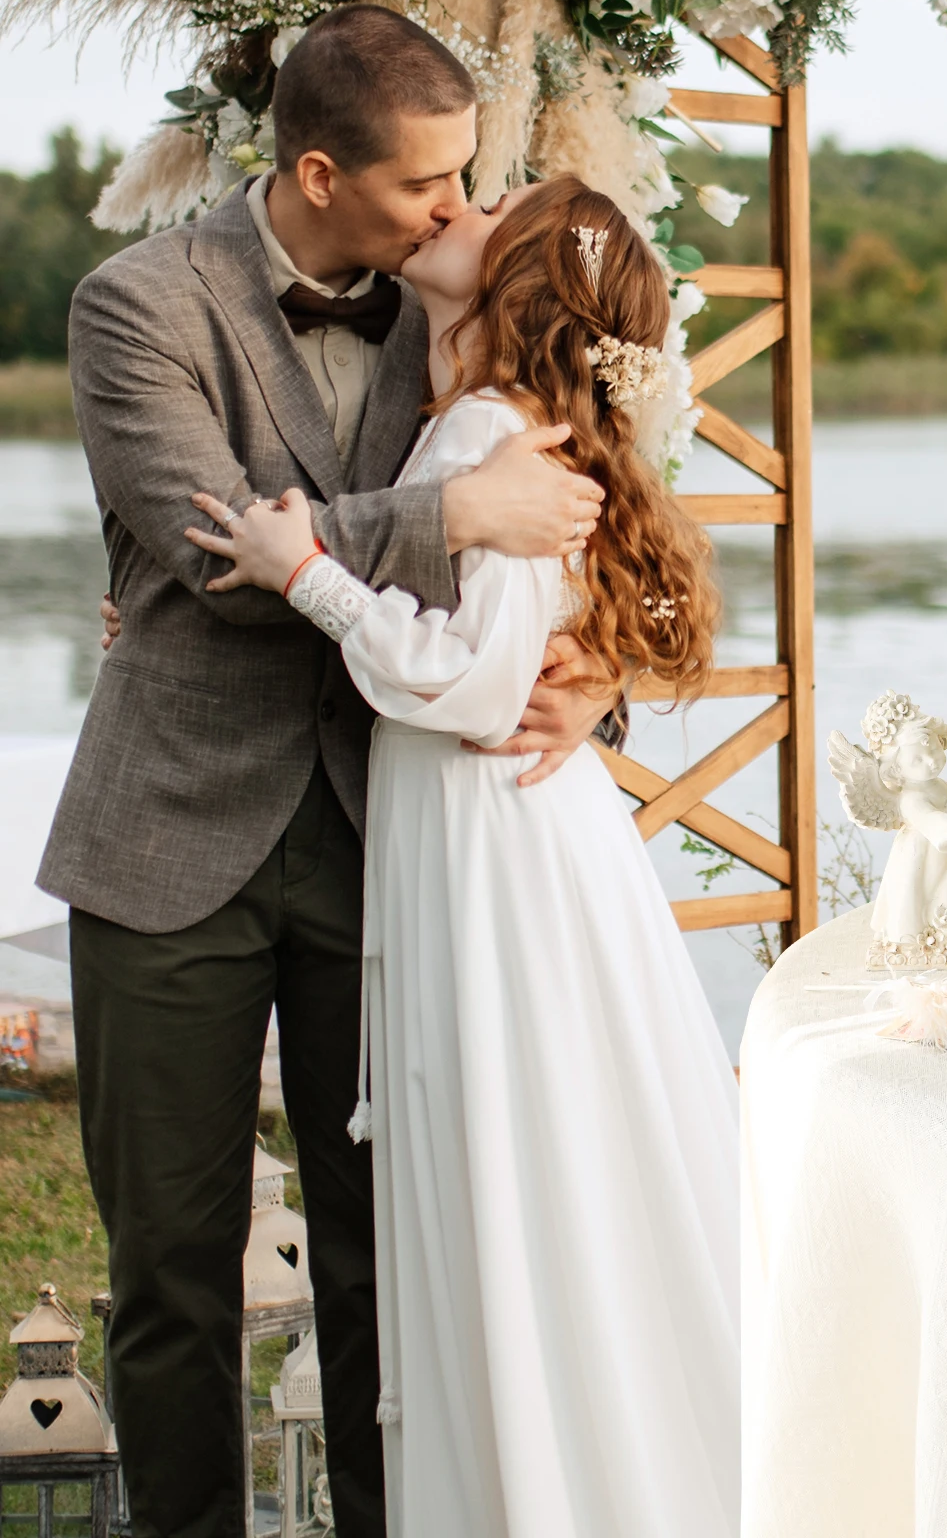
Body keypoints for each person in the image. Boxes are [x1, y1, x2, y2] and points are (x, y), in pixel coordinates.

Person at [40, 5, 621, 1538]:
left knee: (389, 1251)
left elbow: (585, 532)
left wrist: (592, 682)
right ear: (314, 172)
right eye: (431, 183)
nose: (459, 209)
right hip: (168, 841)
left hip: (401, 847)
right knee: (171, 1264)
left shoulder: (465, 308)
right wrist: (456, 518)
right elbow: (209, 539)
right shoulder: (134, 304)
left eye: (466, 180)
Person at [185, 175, 739, 1537]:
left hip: (498, 847)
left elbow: (476, 688)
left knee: (519, 1162)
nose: (463, 205)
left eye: (492, 206)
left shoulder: (490, 426)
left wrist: (302, 568)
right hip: (482, 835)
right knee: (527, 1166)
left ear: (521, 285)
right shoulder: (476, 418)